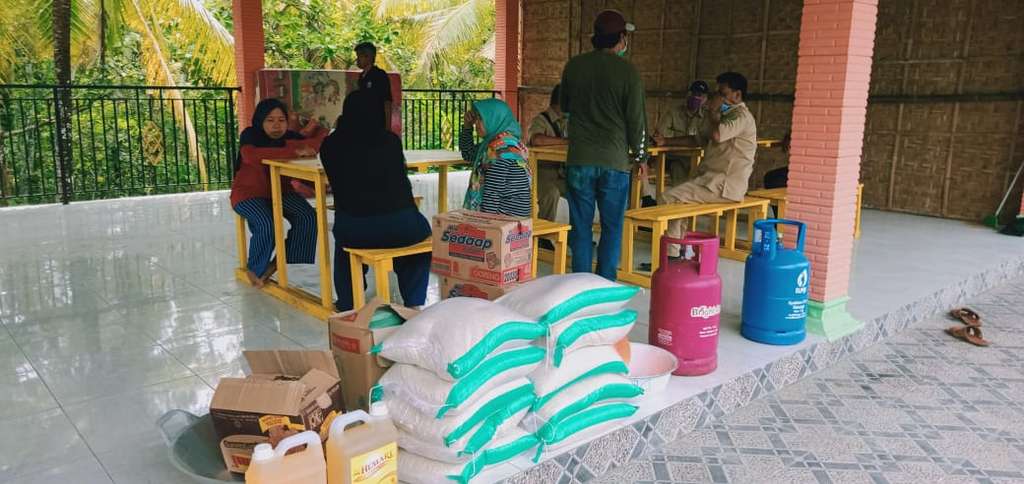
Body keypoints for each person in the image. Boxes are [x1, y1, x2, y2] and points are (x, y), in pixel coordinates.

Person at [320, 90, 431, 312]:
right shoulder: (390, 142)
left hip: (355, 229)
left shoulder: (330, 145)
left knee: (344, 244)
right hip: (402, 227)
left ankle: (348, 303)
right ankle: (413, 301)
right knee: (420, 239)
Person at [559, 9, 647, 280]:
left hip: (580, 159)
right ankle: (606, 283)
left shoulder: (574, 66)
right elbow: (636, 121)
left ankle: (580, 284)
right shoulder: (628, 71)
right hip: (615, 162)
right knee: (611, 227)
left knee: (581, 226)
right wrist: (641, 157)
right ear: (621, 38)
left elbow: (565, 107)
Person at [658, 72, 757, 258]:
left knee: (669, 197)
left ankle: (671, 254)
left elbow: (717, 135)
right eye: (717, 92)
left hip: (725, 186)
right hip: (710, 181)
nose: (718, 97)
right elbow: (697, 139)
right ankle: (680, 250)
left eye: (723, 93)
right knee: (680, 197)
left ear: (737, 95)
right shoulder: (722, 116)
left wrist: (712, 112)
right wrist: (666, 141)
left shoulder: (741, 116)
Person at [231, 99, 327, 287]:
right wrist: (294, 150)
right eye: (270, 120)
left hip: (282, 192)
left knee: (308, 217)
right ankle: (255, 269)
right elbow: (251, 155)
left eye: (281, 120)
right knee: (268, 223)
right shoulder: (250, 134)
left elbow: (314, 145)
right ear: (260, 121)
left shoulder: (290, 137)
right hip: (249, 194)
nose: (276, 125)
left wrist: (318, 130)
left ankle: (275, 264)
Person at [459, 99, 532, 218]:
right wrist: (467, 127)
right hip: (508, 216)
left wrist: (486, 224)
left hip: (506, 219)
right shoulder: (502, 143)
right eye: (476, 119)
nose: (476, 123)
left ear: (494, 119)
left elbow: (493, 194)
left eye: (480, 119)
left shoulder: (501, 151)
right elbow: (468, 154)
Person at [652, 80, 711, 186]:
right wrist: (686, 140)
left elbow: (702, 140)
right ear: (687, 95)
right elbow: (659, 135)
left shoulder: (708, 116)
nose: (695, 97)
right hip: (674, 156)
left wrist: (672, 139)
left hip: (699, 160)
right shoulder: (673, 112)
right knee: (677, 167)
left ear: (705, 99)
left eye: (699, 95)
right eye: (693, 94)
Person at [527, 84, 569, 223]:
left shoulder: (567, 121)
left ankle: (576, 234)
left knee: (580, 191)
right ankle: (543, 232)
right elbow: (536, 139)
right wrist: (565, 141)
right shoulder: (541, 119)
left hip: (561, 173)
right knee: (551, 194)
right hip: (541, 173)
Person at [355, 42, 393, 129]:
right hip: (363, 123)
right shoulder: (361, 76)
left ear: (368, 57)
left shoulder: (380, 75)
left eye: (359, 57)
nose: (357, 60)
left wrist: (387, 128)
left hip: (377, 123)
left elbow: (387, 102)